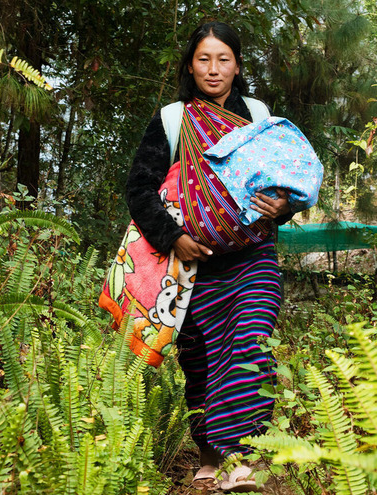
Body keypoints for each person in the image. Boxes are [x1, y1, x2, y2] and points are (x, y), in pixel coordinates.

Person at [125, 21, 293, 492]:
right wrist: (172, 236)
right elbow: (139, 188)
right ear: (190, 65)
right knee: (201, 357)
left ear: (238, 65)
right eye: (204, 59)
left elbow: (287, 177)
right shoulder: (173, 119)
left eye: (223, 59)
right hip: (195, 268)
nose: (214, 69)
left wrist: (286, 205)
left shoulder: (258, 115)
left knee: (250, 341)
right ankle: (208, 451)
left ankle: (243, 456)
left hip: (253, 257)